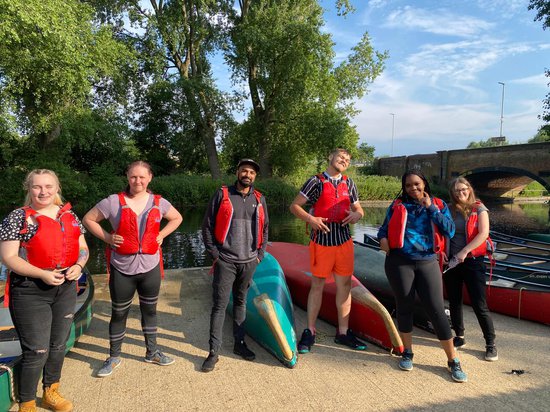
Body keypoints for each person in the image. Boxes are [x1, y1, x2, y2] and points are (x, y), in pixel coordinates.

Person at [0, 169, 89, 412]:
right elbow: (8, 257)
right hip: (31, 290)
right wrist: (41, 273)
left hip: (65, 287)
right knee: (37, 349)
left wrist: (79, 265)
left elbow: (83, 247)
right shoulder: (17, 218)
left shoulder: (68, 215)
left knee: (58, 344)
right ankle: (27, 403)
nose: (43, 192)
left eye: (49, 186)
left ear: (57, 188)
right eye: (37, 187)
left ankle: (51, 391)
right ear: (28, 189)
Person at [83, 161, 182, 377]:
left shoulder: (159, 202)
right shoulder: (112, 202)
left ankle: (152, 352)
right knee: (119, 313)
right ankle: (114, 356)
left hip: (150, 267)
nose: (137, 181)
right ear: (127, 177)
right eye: (133, 177)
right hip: (122, 268)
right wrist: (108, 237)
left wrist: (161, 235)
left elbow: (177, 218)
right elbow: (88, 219)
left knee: (150, 311)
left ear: (150, 178)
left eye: (141, 177)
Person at [377, 169, 467, 383]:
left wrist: (431, 209)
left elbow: (450, 231)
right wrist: (382, 240)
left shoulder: (438, 204)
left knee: (436, 310)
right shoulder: (398, 205)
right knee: (404, 307)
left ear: (424, 183)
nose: (413, 188)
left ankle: (453, 360)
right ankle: (407, 352)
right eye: (408, 185)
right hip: (399, 262)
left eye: (417, 184)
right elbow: (383, 229)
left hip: (427, 261)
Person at [289, 148, 366, 354]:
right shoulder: (315, 181)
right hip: (321, 242)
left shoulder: (349, 183)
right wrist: (311, 219)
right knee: (318, 286)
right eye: (341, 157)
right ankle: (310, 331)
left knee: (344, 286)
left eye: (348, 159)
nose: (344, 160)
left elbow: (359, 209)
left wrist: (357, 215)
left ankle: (342, 332)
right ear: (330, 158)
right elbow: (295, 206)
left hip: (344, 242)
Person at [201, 159, 269, 372]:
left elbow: (265, 228)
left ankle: (239, 344)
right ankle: (214, 352)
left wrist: (260, 255)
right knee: (220, 306)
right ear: (238, 172)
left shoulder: (259, 199)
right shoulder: (222, 195)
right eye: (244, 170)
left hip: (249, 261)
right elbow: (207, 226)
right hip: (226, 261)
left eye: (251, 172)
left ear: (255, 176)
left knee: (240, 302)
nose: (247, 174)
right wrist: (215, 254)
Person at [444, 177, 497, 361]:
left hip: (473, 261)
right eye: (457, 191)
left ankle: (490, 344)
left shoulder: (479, 209)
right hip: (452, 262)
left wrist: (465, 251)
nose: (461, 193)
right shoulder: (449, 210)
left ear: (469, 189)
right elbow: (444, 234)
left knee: (479, 304)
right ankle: (459, 336)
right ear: (452, 193)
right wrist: (444, 253)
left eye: (463, 189)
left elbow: (483, 234)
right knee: (454, 301)